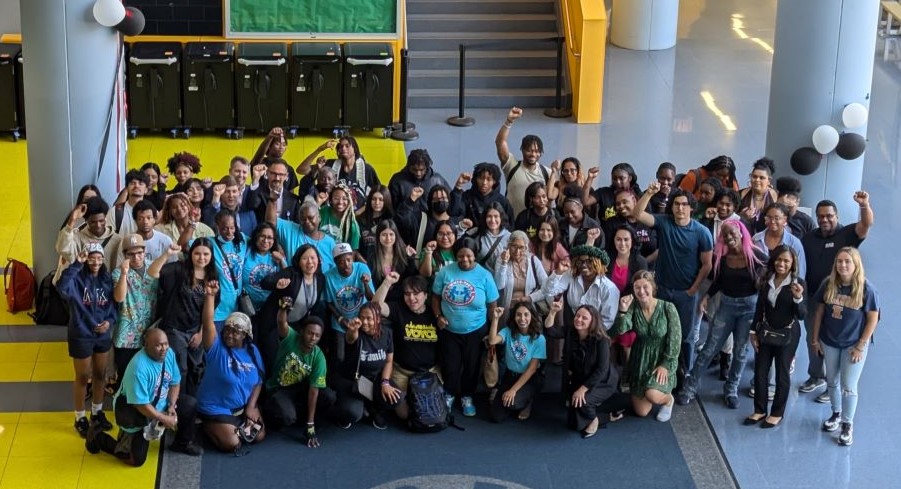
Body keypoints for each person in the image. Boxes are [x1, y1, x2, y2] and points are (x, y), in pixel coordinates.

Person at [678, 220, 766, 409]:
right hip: (726, 305)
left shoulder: (757, 255)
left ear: (741, 233)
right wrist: (706, 297)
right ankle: (690, 387)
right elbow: (717, 281)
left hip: (749, 308)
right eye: (725, 235)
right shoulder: (722, 258)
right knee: (709, 348)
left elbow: (770, 273)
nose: (729, 237)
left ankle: (731, 389)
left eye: (732, 233)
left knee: (741, 352)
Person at [634, 181, 713, 390]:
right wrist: (649, 193)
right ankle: (660, 375)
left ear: (691, 207)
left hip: (685, 293)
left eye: (684, 204)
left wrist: (693, 290)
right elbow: (637, 214)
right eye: (676, 204)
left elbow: (707, 265)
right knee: (661, 332)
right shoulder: (664, 222)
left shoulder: (701, 232)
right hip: (662, 290)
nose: (680, 208)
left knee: (685, 337)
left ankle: (683, 377)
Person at [85, 328, 202, 464]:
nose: (164, 348)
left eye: (166, 344)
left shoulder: (169, 354)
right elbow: (141, 405)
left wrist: (171, 405)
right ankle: (97, 437)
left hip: (160, 402)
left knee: (190, 404)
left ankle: (182, 443)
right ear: (146, 346)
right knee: (135, 460)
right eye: (158, 345)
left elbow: (175, 383)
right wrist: (163, 418)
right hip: (136, 410)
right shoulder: (138, 368)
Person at [799, 192, 873, 402]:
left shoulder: (847, 234)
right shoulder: (809, 238)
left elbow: (866, 224)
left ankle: (833, 387)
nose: (824, 220)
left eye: (829, 216)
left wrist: (864, 205)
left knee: (835, 343)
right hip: (814, 298)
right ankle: (816, 376)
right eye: (821, 216)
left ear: (837, 216)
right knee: (812, 339)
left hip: (840, 302)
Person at [811, 248, 880, 446]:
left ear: (856, 264)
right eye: (839, 261)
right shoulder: (828, 284)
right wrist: (815, 339)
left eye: (847, 262)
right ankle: (836, 414)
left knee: (849, 386)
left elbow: (872, 320)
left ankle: (847, 425)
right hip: (830, 341)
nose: (843, 265)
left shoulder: (867, 289)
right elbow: (819, 312)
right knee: (832, 381)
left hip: (852, 345)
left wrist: (860, 345)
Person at [431, 237, 500, 417]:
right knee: (451, 366)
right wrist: (438, 316)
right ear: (456, 256)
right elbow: (435, 297)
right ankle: (450, 394)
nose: (465, 260)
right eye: (460, 256)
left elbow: (493, 305)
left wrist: (492, 332)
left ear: (475, 255)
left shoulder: (485, 275)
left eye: (469, 256)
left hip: (476, 331)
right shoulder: (445, 272)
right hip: (450, 331)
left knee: (471, 366)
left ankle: (467, 397)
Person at [196, 282, 266, 453]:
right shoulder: (216, 347)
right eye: (227, 330)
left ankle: (238, 423)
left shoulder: (253, 350)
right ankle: (207, 424)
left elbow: (259, 381)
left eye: (236, 332)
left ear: (245, 335)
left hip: (242, 408)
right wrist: (210, 296)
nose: (229, 334)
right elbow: (207, 323)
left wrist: (251, 406)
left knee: (259, 436)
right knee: (233, 444)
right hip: (215, 407)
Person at [57, 244, 116, 437]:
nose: (96, 262)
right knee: (83, 377)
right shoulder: (76, 279)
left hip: (102, 335)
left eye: (99, 258)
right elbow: (61, 287)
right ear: (85, 259)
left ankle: (97, 412)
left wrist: (109, 322)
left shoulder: (107, 279)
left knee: (101, 374)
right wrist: (76, 264)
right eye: (92, 258)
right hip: (81, 334)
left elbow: (114, 305)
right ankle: (79, 416)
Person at [744, 246, 806, 428]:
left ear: (792, 263)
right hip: (766, 332)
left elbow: (802, 315)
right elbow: (760, 308)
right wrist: (753, 331)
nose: (782, 264)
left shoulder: (798, 283)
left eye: (786, 261)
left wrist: (798, 298)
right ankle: (760, 409)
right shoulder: (766, 279)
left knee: (782, 374)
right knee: (760, 371)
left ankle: (777, 412)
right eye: (779, 260)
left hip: (788, 335)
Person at [611, 270, 681, 422]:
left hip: (662, 357)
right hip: (640, 358)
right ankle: (651, 389)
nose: (641, 291)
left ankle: (668, 399)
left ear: (652, 287)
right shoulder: (633, 306)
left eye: (645, 287)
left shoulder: (668, 308)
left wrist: (665, 364)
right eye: (637, 287)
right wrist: (622, 310)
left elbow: (675, 339)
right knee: (641, 412)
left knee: (652, 395)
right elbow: (621, 329)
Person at [262, 306, 335, 446]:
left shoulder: (318, 357)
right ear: (302, 332)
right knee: (287, 417)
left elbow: (314, 391)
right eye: (310, 333)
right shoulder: (291, 337)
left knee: (328, 396)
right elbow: (281, 323)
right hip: (279, 388)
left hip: (300, 389)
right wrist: (283, 310)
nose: (313, 338)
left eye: (317, 335)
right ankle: (274, 413)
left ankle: (302, 418)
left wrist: (310, 424)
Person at [372, 273, 440, 420]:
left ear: (425, 295)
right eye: (407, 294)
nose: (411, 299)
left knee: (433, 413)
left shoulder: (434, 313)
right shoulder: (398, 309)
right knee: (404, 415)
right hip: (402, 372)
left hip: (430, 373)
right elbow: (375, 306)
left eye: (416, 294)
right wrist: (387, 282)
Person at [554, 303, 628, 437]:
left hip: (603, 381)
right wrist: (553, 312)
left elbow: (602, 369)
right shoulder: (571, 332)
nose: (579, 319)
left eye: (584, 318)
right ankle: (606, 417)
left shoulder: (602, 340)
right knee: (574, 424)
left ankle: (594, 420)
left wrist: (582, 390)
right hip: (583, 378)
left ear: (593, 321)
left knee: (583, 402)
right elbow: (550, 331)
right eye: (577, 316)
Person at [156, 239, 218, 395]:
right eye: (197, 253)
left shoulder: (212, 276)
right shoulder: (179, 269)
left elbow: (211, 308)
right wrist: (167, 254)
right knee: (180, 369)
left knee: (197, 369)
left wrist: (201, 332)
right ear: (191, 254)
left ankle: (190, 406)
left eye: (206, 254)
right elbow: (153, 273)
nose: (201, 258)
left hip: (196, 330)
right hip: (174, 329)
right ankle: (176, 405)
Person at [111, 235, 173, 386]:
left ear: (145, 252)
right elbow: (119, 298)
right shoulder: (118, 273)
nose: (136, 257)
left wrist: (167, 254)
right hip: (126, 336)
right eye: (130, 254)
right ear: (124, 255)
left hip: (151, 333)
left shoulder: (154, 268)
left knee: (150, 376)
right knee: (126, 378)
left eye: (139, 253)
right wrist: (124, 273)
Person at [256, 244, 327, 372]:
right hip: (273, 324)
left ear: (318, 259)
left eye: (313, 257)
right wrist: (277, 284)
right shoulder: (291, 273)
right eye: (305, 258)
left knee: (290, 360)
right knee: (273, 359)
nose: (310, 262)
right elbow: (265, 282)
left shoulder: (320, 279)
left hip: (295, 325)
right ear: (298, 261)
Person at [333, 303, 403, 430]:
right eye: (362, 317)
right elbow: (350, 338)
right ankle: (344, 412)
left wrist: (385, 382)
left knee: (397, 397)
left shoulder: (387, 333)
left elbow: (388, 361)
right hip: (352, 381)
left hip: (373, 380)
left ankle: (374, 409)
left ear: (378, 319)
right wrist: (353, 330)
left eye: (369, 318)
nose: (364, 322)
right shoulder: (356, 332)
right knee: (352, 412)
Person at [487, 302, 546, 422]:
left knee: (512, 403)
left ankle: (528, 400)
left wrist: (513, 390)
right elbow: (492, 341)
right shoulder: (508, 331)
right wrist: (496, 319)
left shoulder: (539, 339)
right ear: (514, 317)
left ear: (532, 317)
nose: (522, 319)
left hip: (529, 379)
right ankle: (512, 399)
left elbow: (532, 369)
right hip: (510, 376)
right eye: (518, 315)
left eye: (526, 315)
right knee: (496, 416)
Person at [543, 245, 619, 331]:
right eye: (580, 262)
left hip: (597, 333)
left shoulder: (609, 288)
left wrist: (586, 333)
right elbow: (548, 291)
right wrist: (558, 272)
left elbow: (607, 321)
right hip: (575, 329)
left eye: (589, 261)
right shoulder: (571, 276)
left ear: (597, 263)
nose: (584, 265)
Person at [299, 135, 381, 211]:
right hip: (333, 213)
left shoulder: (366, 169)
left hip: (358, 215)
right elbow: (301, 170)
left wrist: (361, 212)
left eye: (347, 146)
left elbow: (378, 193)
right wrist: (320, 149)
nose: (343, 148)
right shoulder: (330, 165)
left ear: (355, 149)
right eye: (341, 146)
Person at [324, 243, 375, 363]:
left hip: (362, 320)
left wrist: (366, 284)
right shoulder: (328, 277)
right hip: (340, 321)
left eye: (349, 260)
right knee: (340, 357)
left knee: (361, 355)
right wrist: (341, 319)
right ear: (335, 263)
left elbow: (371, 298)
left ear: (352, 258)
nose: (346, 264)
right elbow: (328, 302)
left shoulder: (362, 268)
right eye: (341, 262)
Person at [495, 107, 551, 216]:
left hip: (537, 226)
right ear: (522, 150)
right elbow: (500, 142)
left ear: (541, 153)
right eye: (529, 150)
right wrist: (509, 121)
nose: (533, 154)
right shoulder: (511, 165)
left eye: (536, 151)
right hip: (513, 224)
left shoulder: (547, 172)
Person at [55, 196, 121, 283]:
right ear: (86, 221)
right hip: (83, 290)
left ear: (106, 218)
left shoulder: (117, 240)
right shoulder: (78, 237)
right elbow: (63, 249)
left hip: (106, 290)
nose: (98, 225)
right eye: (93, 222)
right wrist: (73, 219)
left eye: (101, 221)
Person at [268, 198, 338, 274]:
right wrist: (272, 200)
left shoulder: (330, 243)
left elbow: (334, 272)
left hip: (320, 284)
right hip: (295, 283)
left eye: (311, 218)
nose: (307, 222)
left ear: (319, 217)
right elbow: (271, 223)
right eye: (303, 219)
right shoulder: (291, 229)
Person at [494, 231, 548, 312]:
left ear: (526, 248)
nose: (517, 251)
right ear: (508, 246)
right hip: (508, 309)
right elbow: (499, 285)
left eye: (521, 247)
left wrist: (527, 299)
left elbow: (547, 288)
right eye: (514, 246)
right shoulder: (501, 259)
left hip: (530, 309)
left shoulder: (534, 260)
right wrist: (504, 263)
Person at [450, 163, 515, 229]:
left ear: (494, 181)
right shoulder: (467, 196)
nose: (484, 182)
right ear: (476, 179)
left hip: (496, 238)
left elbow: (511, 227)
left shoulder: (503, 201)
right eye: (481, 178)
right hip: (471, 237)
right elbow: (454, 213)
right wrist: (458, 185)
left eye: (489, 179)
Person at [113, 200, 176, 267]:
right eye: (140, 218)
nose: (145, 222)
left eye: (149, 218)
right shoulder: (126, 242)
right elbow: (119, 268)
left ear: (154, 219)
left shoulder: (165, 240)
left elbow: (173, 266)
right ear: (135, 221)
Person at [242, 222, 287, 315]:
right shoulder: (246, 251)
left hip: (269, 308)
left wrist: (282, 260)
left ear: (274, 240)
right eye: (262, 236)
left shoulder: (276, 257)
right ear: (256, 237)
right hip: (246, 307)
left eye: (270, 237)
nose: (266, 240)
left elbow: (287, 278)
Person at [388, 148, 451, 214]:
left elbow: (450, 202)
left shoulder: (437, 179)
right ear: (409, 166)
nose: (418, 173)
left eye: (422, 170)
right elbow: (390, 207)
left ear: (427, 167)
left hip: (431, 222)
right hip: (405, 221)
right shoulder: (397, 180)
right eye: (414, 169)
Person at [367, 219, 416, 302]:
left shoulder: (404, 253)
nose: (388, 238)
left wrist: (410, 258)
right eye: (384, 235)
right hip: (381, 300)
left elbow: (410, 277)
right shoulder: (372, 256)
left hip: (402, 299)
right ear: (378, 236)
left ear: (396, 236)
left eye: (391, 234)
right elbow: (374, 284)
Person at [751, 203, 806, 278]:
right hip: (759, 285)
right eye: (769, 217)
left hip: (785, 287)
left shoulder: (794, 243)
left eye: (777, 218)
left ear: (785, 219)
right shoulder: (756, 239)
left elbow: (800, 272)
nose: (772, 221)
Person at [739, 158, 778, 234]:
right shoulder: (741, 194)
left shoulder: (775, 196)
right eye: (754, 176)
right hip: (743, 237)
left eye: (762, 178)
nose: (757, 180)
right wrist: (741, 216)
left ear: (769, 180)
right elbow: (729, 217)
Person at [607, 224, 649, 296]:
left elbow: (641, 289)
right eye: (618, 239)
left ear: (632, 241)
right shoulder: (607, 259)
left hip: (630, 302)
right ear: (613, 240)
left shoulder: (640, 262)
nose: (622, 243)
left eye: (626, 239)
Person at [471, 201, 511, 272]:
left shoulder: (509, 237)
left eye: (496, 216)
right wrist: (462, 227)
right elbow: (461, 242)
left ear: (501, 218)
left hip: (502, 278)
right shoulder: (477, 233)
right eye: (489, 216)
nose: (492, 220)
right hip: (481, 277)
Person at [358, 185, 395, 262]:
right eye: (374, 199)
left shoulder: (391, 221)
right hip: (365, 264)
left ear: (386, 200)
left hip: (386, 264)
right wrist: (365, 264)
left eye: (381, 199)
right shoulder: (360, 220)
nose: (377, 203)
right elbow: (355, 248)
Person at [108, 169, 149, 235]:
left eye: (140, 183)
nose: (136, 186)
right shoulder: (114, 212)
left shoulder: (152, 212)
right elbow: (108, 238)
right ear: (127, 188)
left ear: (146, 189)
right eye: (132, 183)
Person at [319, 184, 360, 249]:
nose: (340, 202)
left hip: (340, 257)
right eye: (336, 198)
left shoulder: (352, 224)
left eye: (344, 199)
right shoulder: (324, 212)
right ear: (331, 200)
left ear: (349, 201)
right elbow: (309, 218)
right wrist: (318, 203)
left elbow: (353, 251)